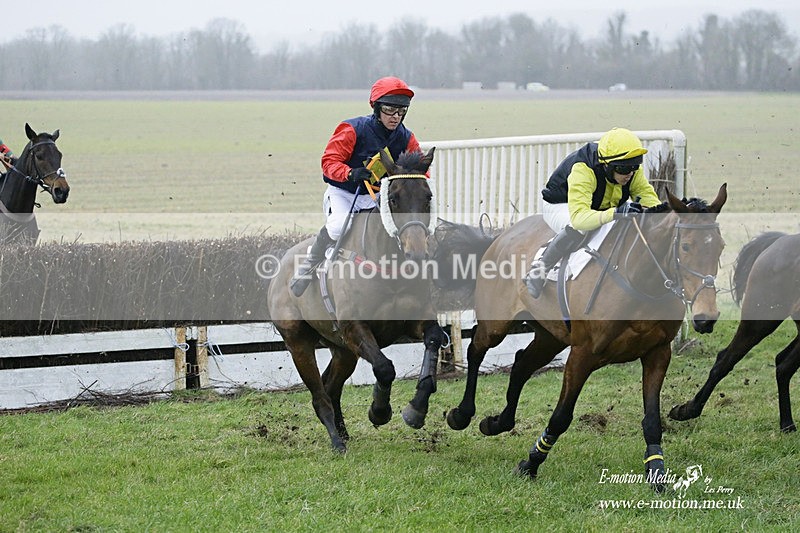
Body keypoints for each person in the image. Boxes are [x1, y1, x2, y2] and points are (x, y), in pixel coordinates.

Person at [290, 76, 422, 297]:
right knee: (338, 225)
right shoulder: (352, 129)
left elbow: (420, 170)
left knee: (404, 226)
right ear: (376, 108)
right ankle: (310, 264)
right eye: (390, 110)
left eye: (401, 111)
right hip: (344, 193)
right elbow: (329, 162)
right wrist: (350, 173)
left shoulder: (406, 137)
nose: (396, 117)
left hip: (377, 195)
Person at [524, 127, 661, 298]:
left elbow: (648, 198)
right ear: (607, 165)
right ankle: (539, 270)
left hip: (598, 205)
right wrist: (615, 213)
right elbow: (580, 219)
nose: (630, 173)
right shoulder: (583, 169)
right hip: (561, 205)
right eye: (624, 169)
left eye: (635, 166)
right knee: (580, 227)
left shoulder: (628, 167)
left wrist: (665, 214)